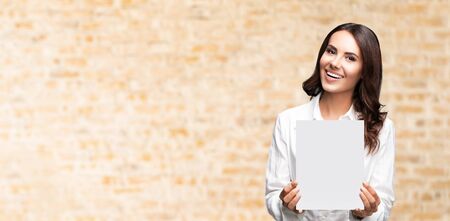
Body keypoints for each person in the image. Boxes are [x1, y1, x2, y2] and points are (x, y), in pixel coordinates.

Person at [265, 23, 395, 221]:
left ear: (364, 71)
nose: (334, 62)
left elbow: (383, 206)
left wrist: (366, 212)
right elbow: (272, 197)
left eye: (350, 58)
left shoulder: (382, 128)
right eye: (331, 51)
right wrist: (286, 204)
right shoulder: (288, 121)